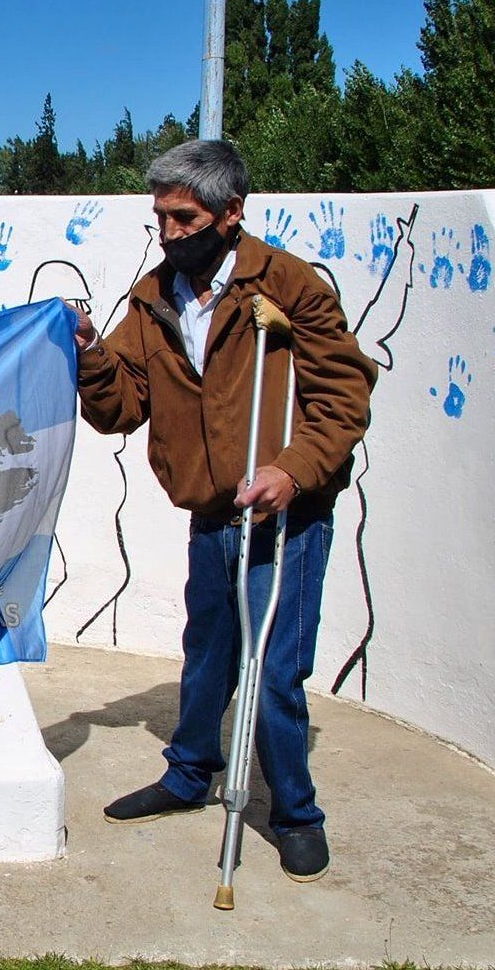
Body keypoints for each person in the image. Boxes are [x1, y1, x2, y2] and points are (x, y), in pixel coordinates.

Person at [71, 139, 375, 882]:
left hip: (287, 516)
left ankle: (295, 810)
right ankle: (188, 774)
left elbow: (344, 396)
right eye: (161, 218)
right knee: (207, 654)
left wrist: (291, 469)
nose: (171, 232)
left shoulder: (289, 285)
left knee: (273, 669)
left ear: (231, 213)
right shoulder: (152, 298)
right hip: (212, 512)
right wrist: (86, 353)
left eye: (185, 217)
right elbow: (122, 407)